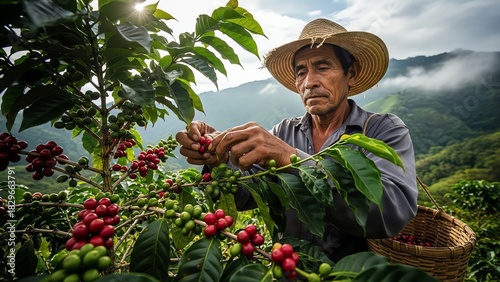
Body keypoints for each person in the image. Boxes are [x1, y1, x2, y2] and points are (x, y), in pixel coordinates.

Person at [175, 18, 418, 262]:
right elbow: (248, 194)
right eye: (301, 72)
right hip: (286, 270)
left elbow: (392, 213)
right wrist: (219, 158)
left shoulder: (381, 130)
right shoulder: (283, 131)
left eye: (323, 68)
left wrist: (288, 158)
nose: (309, 82)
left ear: (351, 74)